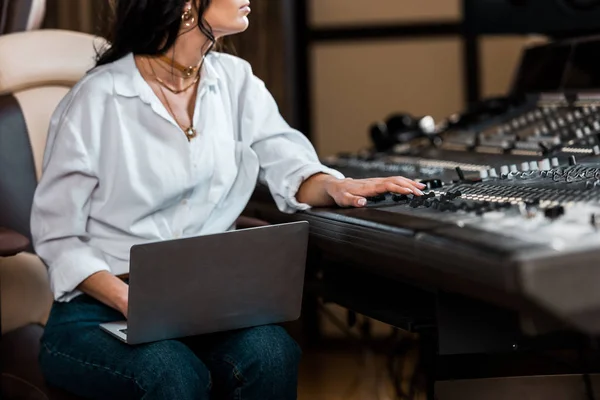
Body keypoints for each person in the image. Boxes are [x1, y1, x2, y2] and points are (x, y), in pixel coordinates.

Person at [30, 0, 426, 399]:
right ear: (187, 7)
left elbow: (290, 164)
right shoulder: (97, 98)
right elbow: (57, 237)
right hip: (98, 308)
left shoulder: (236, 81)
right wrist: (133, 301)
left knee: (272, 354)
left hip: (203, 307)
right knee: (171, 372)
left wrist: (334, 185)